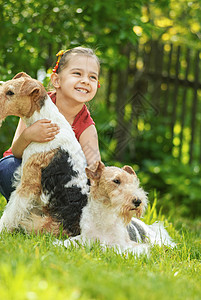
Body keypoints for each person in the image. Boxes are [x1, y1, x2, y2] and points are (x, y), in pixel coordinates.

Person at [0, 47, 101, 201]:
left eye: (92, 77)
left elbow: (94, 169)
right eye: (77, 73)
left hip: (58, 182)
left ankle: (50, 217)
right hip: (25, 168)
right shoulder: (34, 101)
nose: (86, 81)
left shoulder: (86, 126)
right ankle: (24, 211)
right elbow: (16, 152)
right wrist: (29, 135)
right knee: (7, 168)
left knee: (87, 183)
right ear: (56, 80)